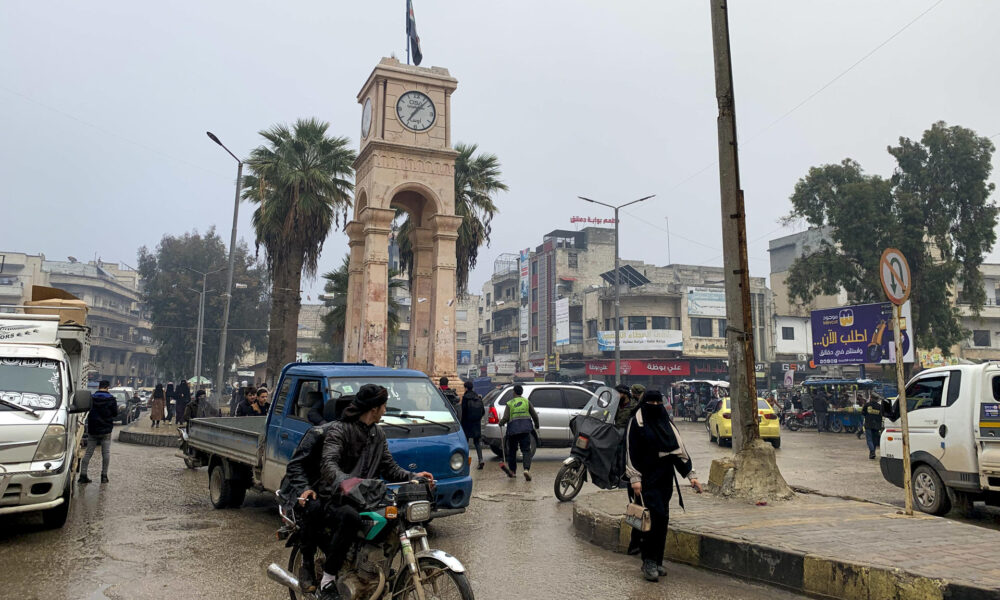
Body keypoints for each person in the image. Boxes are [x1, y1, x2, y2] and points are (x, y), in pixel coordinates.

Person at [318, 384, 433, 600]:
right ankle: (328, 579)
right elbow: (328, 464)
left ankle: (373, 569)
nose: (385, 410)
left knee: (392, 515)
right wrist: (348, 483)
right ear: (375, 408)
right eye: (384, 406)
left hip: (366, 497)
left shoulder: (377, 433)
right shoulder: (340, 430)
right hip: (337, 497)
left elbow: (389, 467)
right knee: (349, 518)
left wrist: (413, 477)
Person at [625, 389, 703, 582]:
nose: (654, 407)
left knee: (662, 519)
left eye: (657, 404)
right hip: (645, 478)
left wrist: (691, 476)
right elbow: (629, 451)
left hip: (664, 478)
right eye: (650, 404)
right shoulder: (637, 422)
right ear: (644, 404)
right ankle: (648, 561)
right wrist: (635, 479)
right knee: (650, 520)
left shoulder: (667, 423)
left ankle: (658, 560)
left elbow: (678, 451)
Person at [278, 400, 339, 593]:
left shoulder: (361, 435)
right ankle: (307, 565)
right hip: (302, 489)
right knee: (313, 509)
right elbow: (295, 466)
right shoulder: (318, 434)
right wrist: (305, 488)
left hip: (331, 490)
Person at [79, 380, 119, 484]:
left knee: (88, 452)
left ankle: (83, 475)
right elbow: (115, 414)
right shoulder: (111, 399)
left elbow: (86, 411)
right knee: (105, 453)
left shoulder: (91, 398)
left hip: (93, 429)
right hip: (106, 430)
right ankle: (104, 476)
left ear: (99, 387)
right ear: (107, 387)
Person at [498, 384, 539, 481]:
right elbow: (534, 415)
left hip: (513, 430)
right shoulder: (526, 401)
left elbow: (506, 417)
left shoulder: (510, 403)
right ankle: (526, 470)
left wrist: (501, 423)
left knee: (512, 451)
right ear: (521, 392)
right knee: (526, 450)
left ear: (514, 392)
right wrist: (537, 425)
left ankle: (513, 471)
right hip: (525, 430)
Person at [460, 381, 485, 469]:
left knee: (465, 443)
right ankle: (481, 459)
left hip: (467, 423)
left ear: (466, 388)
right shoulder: (477, 397)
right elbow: (483, 412)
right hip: (476, 424)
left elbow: (463, 411)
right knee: (477, 442)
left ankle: (465, 461)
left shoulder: (465, 398)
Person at [862, 393, 883, 459]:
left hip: (868, 424)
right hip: (877, 425)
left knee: (869, 439)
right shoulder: (880, 406)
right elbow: (882, 415)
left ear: (871, 398)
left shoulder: (867, 405)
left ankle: (872, 451)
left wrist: (869, 416)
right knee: (874, 440)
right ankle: (872, 453)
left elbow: (863, 413)